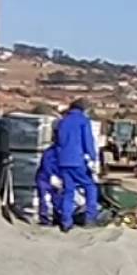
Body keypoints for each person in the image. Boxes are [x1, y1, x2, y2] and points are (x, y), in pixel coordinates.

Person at [55, 99, 100, 231]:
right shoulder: (83, 121)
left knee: (68, 191)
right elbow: (88, 140)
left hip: (63, 161)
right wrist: (93, 158)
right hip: (77, 160)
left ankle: (66, 221)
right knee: (90, 186)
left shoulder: (62, 121)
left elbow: (59, 141)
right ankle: (90, 217)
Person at [34, 142, 62, 226]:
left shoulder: (63, 151)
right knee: (44, 198)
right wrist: (51, 175)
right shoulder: (50, 152)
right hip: (44, 178)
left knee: (57, 198)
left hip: (56, 178)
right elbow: (46, 164)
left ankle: (56, 217)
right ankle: (44, 218)